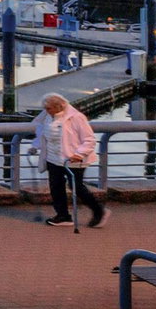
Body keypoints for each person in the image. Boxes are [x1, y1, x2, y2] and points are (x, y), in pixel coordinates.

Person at [29, 93, 106, 228]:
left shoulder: (76, 118)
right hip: (53, 158)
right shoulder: (47, 116)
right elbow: (42, 133)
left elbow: (89, 139)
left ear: (59, 106)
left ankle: (98, 211)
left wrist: (79, 154)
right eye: (46, 108)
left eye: (49, 108)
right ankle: (63, 215)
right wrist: (35, 146)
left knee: (77, 187)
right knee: (55, 187)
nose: (47, 111)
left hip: (73, 159)